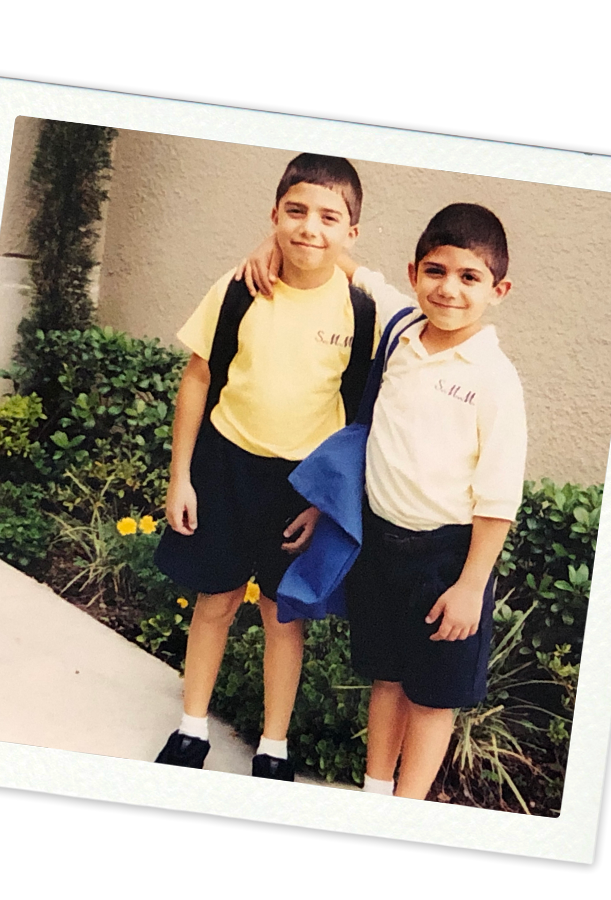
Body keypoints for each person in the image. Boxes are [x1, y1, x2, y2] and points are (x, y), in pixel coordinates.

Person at [152, 154, 409, 777]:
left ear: (353, 231)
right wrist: (180, 476)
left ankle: (273, 746)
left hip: (301, 486)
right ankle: (191, 729)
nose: (309, 229)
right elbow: (198, 378)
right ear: (273, 217)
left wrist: (328, 503)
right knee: (213, 601)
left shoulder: (363, 312)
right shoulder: (239, 289)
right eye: (295, 212)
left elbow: (361, 415)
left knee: (280, 614)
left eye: (329, 217)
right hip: (223, 465)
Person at [339, 204, 525, 799]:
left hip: (447, 561)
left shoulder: (495, 379)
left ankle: (406, 808)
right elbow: (359, 273)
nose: (448, 289)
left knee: (431, 696)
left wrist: (471, 586)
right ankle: (374, 792)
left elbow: (498, 499)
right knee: (388, 678)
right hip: (380, 543)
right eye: (435, 271)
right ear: (415, 271)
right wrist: (274, 252)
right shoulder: (400, 332)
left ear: (498, 290)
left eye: (469, 277)